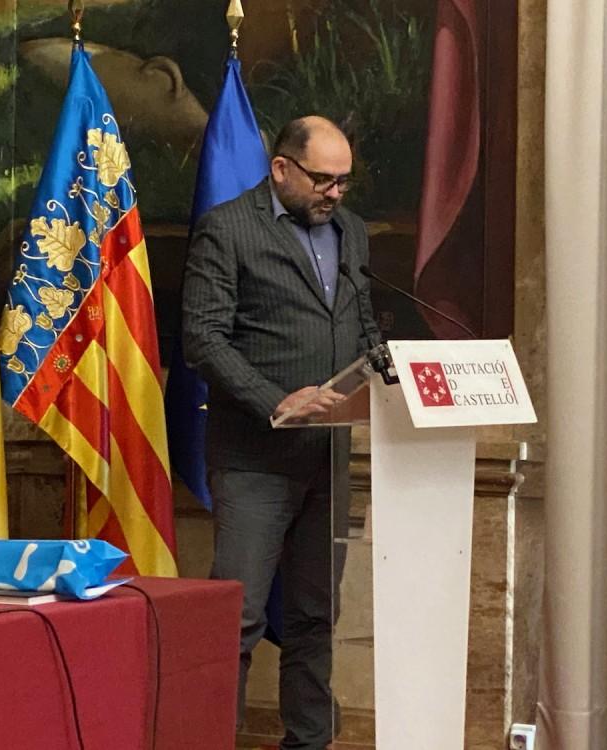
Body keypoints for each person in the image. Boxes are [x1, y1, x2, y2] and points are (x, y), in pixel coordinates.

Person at [182, 115, 380, 750]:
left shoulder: (350, 231)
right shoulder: (228, 229)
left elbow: (362, 322)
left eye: (344, 182)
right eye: (323, 180)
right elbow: (202, 338)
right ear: (281, 168)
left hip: (327, 456)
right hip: (254, 459)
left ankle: (309, 742)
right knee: (236, 617)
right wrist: (276, 400)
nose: (335, 194)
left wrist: (386, 372)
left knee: (315, 615)